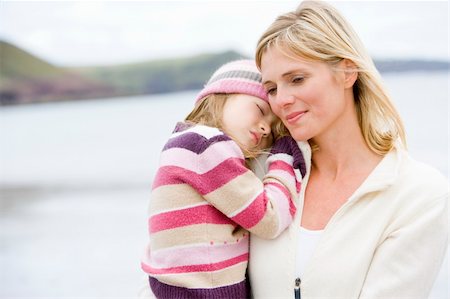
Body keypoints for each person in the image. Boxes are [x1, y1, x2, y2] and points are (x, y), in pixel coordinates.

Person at [248, 1, 449, 298]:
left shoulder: (418, 194)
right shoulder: (262, 175)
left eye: (297, 79)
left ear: (347, 72)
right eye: (272, 88)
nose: (282, 101)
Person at [140, 59, 307, 298]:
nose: (266, 129)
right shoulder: (205, 145)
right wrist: (283, 158)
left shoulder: (186, 143)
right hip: (202, 291)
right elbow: (269, 219)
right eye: (260, 110)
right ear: (222, 94)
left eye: (274, 128)